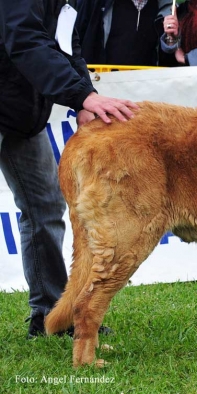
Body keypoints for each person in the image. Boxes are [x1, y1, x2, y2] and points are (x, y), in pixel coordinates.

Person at [0, 0, 139, 338]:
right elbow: (26, 39)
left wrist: (85, 97)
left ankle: (49, 316)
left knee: (45, 207)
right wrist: (81, 96)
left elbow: (66, 45)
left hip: (18, 113)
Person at [75, 0, 173, 66]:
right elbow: (77, 40)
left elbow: (169, 57)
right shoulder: (96, 3)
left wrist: (172, 38)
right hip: (102, 83)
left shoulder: (167, 9)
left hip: (146, 87)